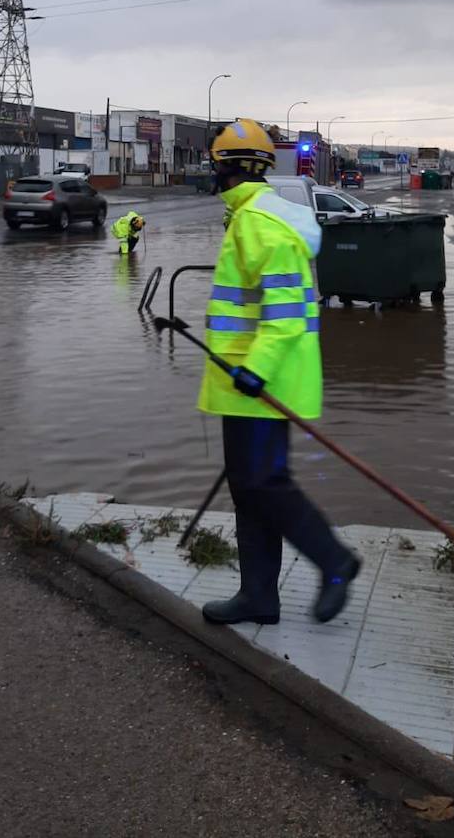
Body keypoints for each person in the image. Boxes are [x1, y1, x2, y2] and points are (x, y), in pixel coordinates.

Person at [198, 119, 360, 626]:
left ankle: (334, 561)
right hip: (242, 386)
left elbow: (286, 316)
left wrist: (257, 371)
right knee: (250, 493)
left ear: (224, 167)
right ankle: (259, 598)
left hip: (262, 385)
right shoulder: (245, 217)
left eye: (214, 165)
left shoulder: (260, 225)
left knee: (266, 486)